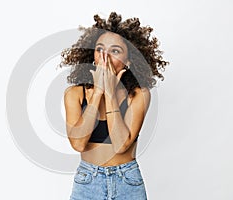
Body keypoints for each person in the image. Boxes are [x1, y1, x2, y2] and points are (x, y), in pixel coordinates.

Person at [60, 12, 168, 200]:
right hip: (88, 182)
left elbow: (121, 145)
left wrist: (110, 93)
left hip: (127, 181)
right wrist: (97, 94)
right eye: (99, 49)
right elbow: (78, 143)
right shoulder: (74, 94)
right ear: (92, 55)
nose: (105, 57)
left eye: (115, 51)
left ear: (128, 61)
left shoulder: (139, 95)